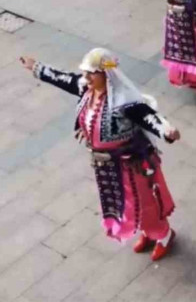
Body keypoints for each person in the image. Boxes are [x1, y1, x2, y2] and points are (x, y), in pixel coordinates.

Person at [20, 48, 179, 260]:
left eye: (91, 73)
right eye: (85, 73)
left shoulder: (123, 101)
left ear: (106, 74)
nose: (86, 78)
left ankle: (164, 234)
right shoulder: (86, 89)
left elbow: (148, 116)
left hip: (130, 163)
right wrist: (37, 68)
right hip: (106, 165)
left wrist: (166, 131)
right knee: (124, 204)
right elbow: (64, 79)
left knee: (142, 201)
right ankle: (147, 231)